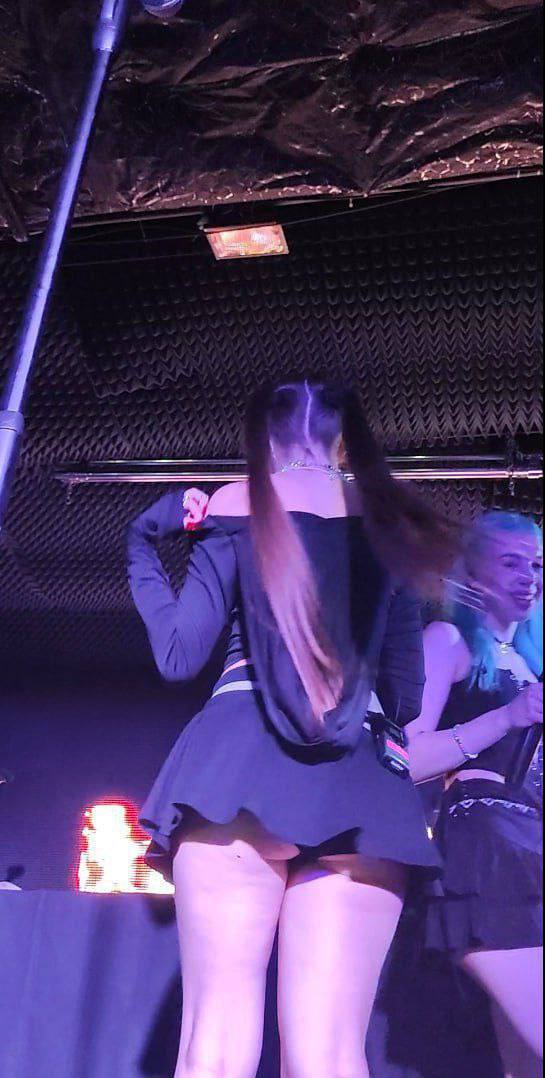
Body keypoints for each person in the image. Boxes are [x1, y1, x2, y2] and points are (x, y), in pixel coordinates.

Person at [127, 382, 458, 1078]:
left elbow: (178, 655)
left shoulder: (233, 504)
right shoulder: (388, 521)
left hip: (235, 770)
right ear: (344, 441)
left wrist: (145, 538)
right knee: (331, 1057)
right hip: (361, 783)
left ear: (261, 439)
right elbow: (403, 694)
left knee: (214, 1049)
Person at [407, 511, 543, 1076]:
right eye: (511, 562)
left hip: (531, 848)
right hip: (487, 851)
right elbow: (408, 758)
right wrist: (505, 718)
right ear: (472, 571)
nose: (528, 576)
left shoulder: (531, 664)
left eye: (537, 565)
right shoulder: (448, 641)